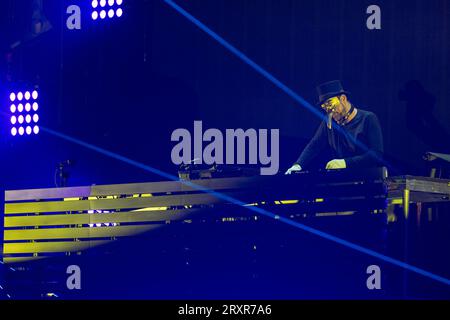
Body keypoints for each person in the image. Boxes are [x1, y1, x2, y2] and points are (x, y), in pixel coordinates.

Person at [286, 80, 383, 174]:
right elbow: (315, 145)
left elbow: (376, 155)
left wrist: (345, 162)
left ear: (343, 99)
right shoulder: (329, 122)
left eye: (330, 104)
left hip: (366, 177)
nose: (329, 111)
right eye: (325, 108)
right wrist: (298, 165)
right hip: (342, 178)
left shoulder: (368, 118)